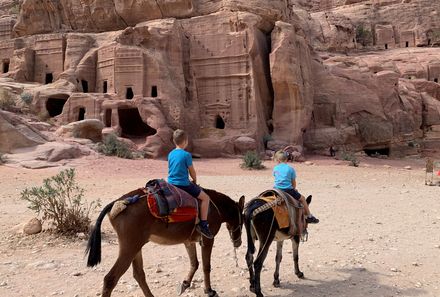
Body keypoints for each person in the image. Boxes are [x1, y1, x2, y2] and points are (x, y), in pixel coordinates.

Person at [167, 129, 214, 239]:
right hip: (183, 184)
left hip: (171, 183)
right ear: (185, 142)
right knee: (205, 198)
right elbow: (192, 171)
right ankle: (203, 224)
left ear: (174, 141)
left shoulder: (170, 154)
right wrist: (195, 180)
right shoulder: (186, 155)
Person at [273, 150, 319, 225]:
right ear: (286, 159)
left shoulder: (275, 168)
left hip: (277, 190)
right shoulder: (290, 169)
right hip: (288, 190)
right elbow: (293, 182)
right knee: (303, 199)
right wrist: (294, 189)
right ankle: (309, 216)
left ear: (277, 160)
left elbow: (277, 179)